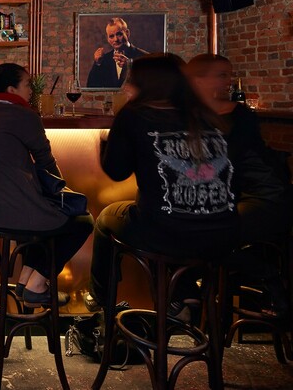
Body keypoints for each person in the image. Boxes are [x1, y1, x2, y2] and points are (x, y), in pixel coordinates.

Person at [89, 54, 238, 314]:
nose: (127, 85)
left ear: (146, 83)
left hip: (168, 233)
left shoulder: (134, 115)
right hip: (223, 232)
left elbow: (117, 171)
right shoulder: (205, 113)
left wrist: (105, 143)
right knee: (170, 219)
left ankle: (101, 299)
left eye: (132, 79)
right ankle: (182, 295)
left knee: (106, 219)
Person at [0, 63, 93, 306]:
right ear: (11, 89)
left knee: (44, 222)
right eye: (26, 85)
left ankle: (25, 282)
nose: (31, 90)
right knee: (82, 222)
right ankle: (37, 286)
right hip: (15, 211)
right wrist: (62, 190)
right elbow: (46, 161)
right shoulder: (24, 115)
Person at [186, 53, 292, 313]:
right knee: (185, 229)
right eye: (222, 75)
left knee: (206, 233)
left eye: (229, 75)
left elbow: (224, 163)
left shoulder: (239, 115)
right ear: (198, 80)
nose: (229, 82)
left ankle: (267, 275)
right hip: (236, 197)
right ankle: (190, 299)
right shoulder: (198, 115)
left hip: (267, 198)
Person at [86, 17, 149, 89]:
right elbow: (91, 87)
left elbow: (150, 86)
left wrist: (130, 66)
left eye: (119, 34)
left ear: (127, 33)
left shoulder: (145, 57)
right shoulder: (104, 60)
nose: (115, 39)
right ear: (108, 39)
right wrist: (97, 64)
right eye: (111, 36)